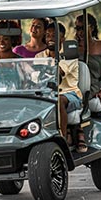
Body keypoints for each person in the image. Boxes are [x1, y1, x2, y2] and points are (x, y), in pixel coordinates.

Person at [37, 22, 86, 152]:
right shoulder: (39, 56)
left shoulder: (69, 54)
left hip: (70, 94)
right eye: (47, 35)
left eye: (54, 35)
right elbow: (33, 78)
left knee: (58, 100)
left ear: (62, 38)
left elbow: (58, 75)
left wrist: (41, 70)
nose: (50, 38)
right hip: (45, 93)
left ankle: (62, 140)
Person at [75, 14, 101, 113]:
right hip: (75, 88)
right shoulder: (73, 47)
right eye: (77, 28)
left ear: (91, 28)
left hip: (93, 90)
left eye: (83, 28)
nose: (80, 32)